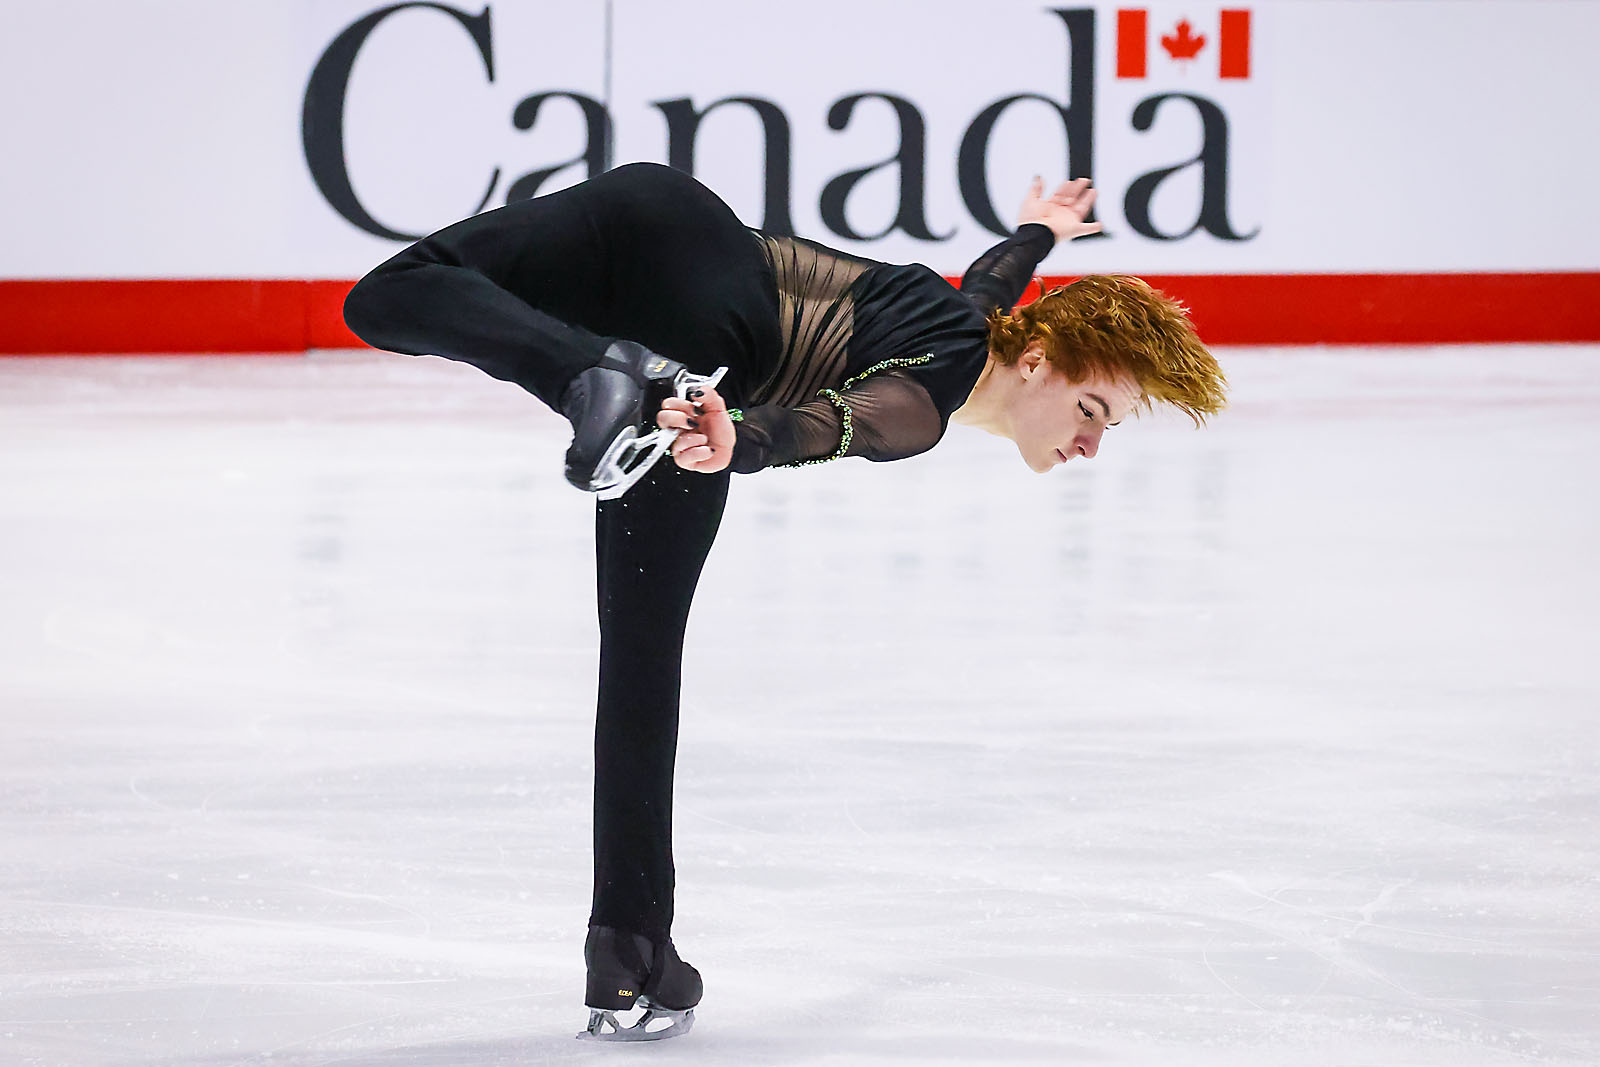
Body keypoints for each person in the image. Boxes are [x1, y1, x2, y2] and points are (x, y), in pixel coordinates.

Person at [342, 162, 1226, 1040]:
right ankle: (629, 946)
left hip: (656, 207)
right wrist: (741, 441)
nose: (1091, 443)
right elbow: (846, 420)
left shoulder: (972, 320)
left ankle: (589, 374)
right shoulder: (930, 397)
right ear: (1036, 363)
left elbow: (992, 280)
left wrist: (1038, 232)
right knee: (643, 659)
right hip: (702, 351)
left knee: (389, 296)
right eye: (1094, 409)